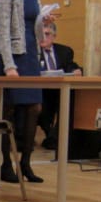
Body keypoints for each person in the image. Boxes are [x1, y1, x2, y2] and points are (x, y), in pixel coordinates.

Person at [0, 0, 52, 184]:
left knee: (33, 109)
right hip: (12, 56)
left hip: (30, 55)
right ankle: (5, 164)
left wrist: (45, 21)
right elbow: (4, 29)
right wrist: (9, 65)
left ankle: (26, 162)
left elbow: (33, 25)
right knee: (8, 112)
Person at [34, 23, 81, 151]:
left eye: (47, 34)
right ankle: (51, 136)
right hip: (40, 90)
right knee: (42, 105)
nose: (43, 37)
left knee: (71, 98)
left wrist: (76, 70)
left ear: (54, 36)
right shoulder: (33, 52)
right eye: (40, 34)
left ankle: (58, 137)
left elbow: (71, 66)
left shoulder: (64, 51)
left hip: (60, 89)